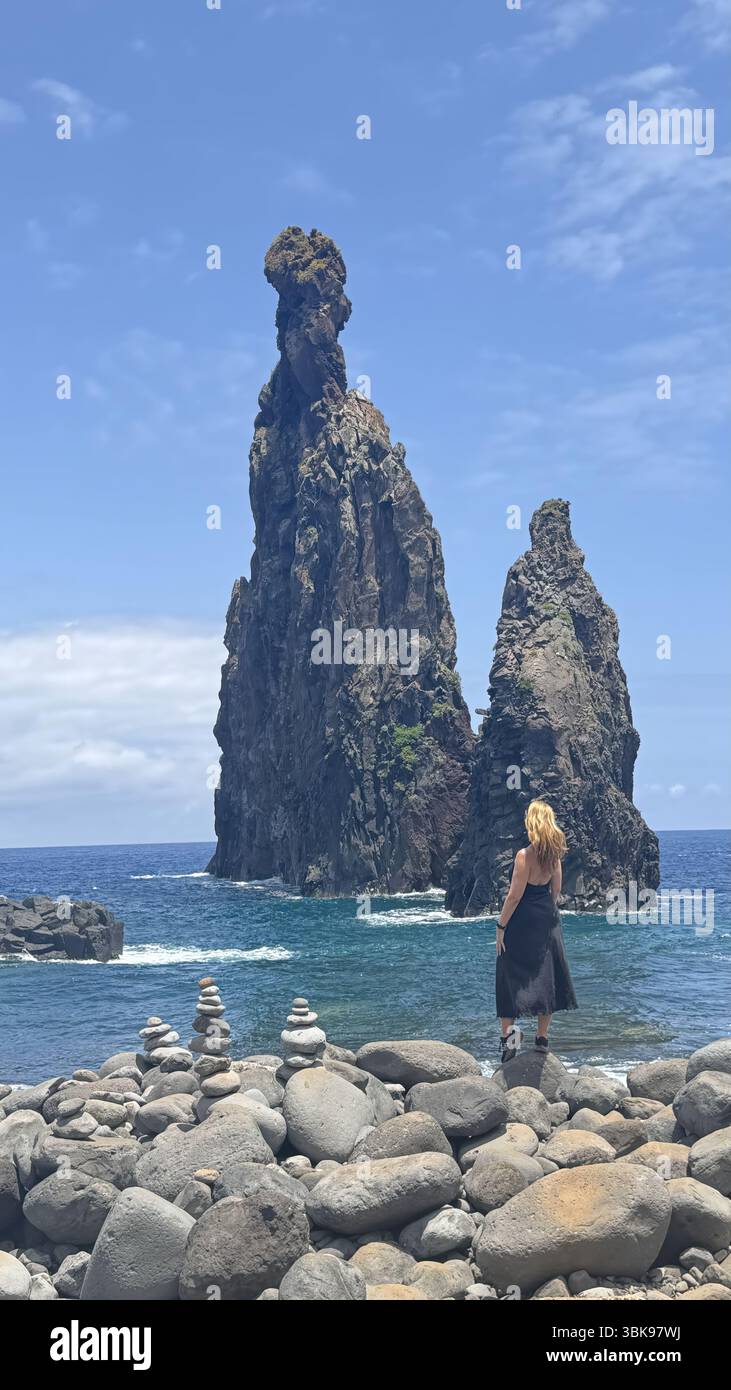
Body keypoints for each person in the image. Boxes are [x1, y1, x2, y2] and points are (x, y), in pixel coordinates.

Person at [495, 799, 577, 1063]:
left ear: (532, 823)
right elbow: (555, 892)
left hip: (521, 923)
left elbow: (514, 896)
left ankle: (511, 1045)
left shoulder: (524, 856)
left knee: (510, 981)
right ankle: (541, 1039)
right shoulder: (554, 856)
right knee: (546, 979)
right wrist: (546, 918)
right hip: (547, 921)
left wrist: (501, 926)